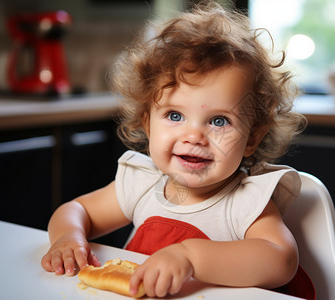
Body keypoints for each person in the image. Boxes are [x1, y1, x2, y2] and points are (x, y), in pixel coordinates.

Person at [41, 1, 313, 298]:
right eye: (174, 116)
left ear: (252, 138)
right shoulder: (143, 185)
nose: (194, 135)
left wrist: (191, 258)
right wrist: (69, 238)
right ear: (147, 123)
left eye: (219, 121)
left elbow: (281, 259)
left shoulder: (245, 201)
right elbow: (77, 210)